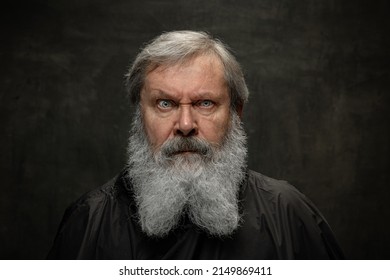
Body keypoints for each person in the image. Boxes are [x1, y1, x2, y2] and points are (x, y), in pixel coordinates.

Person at [48, 30, 344, 259]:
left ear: (235, 114)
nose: (186, 125)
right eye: (165, 103)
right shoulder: (89, 221)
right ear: (140, 115)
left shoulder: (288, 214)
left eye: (205, 103)